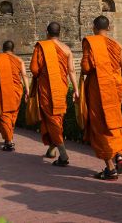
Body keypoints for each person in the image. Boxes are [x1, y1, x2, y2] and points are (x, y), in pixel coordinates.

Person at [80, 15, 122, 180]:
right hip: (115, 87)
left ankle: (110, 168)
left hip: (99, 89)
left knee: (100, 126)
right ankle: (119, 156)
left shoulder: (91, 42)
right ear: (108, 28)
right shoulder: (117, 45)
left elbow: (86, 67)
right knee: (114, 122)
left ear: (94, 27)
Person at [30, 22, 79, 167]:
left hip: (47, 88)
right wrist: (76, 90)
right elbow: (71, 71)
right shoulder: (66, 49)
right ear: (60, 33)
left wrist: (42, 75)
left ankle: (63, 154)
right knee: (56, 118)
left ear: (47, 32)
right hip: (62, 88)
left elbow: (34, 69)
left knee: (52, 119)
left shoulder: (41, 46)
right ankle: (52, 149)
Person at [0, 40, 29, 151]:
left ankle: (9, 141)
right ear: (13, 49)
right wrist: (27, 90)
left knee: (5, 115)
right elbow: (24, 75)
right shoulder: (19, 60)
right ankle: (8, 138)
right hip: (17, 91)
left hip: (4, 91)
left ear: (3, 49)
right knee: (12, 115)